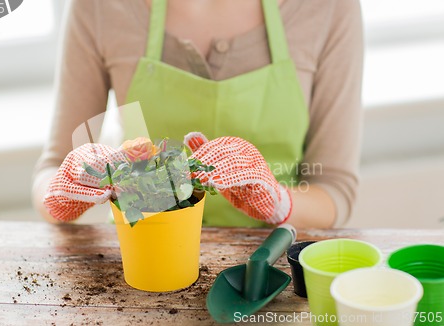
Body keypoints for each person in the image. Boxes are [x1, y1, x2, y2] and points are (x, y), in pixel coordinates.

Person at [32, 0, 364, 228]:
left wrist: (278, 202)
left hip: (268, 270)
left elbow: (335, 189)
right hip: (144, 260)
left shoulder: (327, 8)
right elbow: (51, 169)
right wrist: (68, 188)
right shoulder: (102, 8)